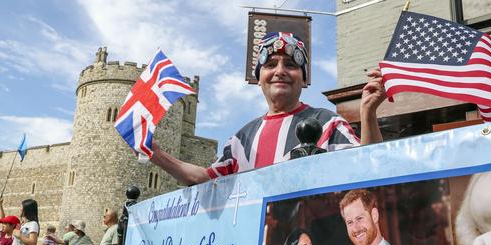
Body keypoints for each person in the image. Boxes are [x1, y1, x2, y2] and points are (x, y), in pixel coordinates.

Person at [148, 32, 386, 185]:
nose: (280, 71)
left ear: (303, 79)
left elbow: (367, 169)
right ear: (259, 78)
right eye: (271, 64)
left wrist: (368, 113)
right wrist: (156, 154)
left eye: (291, 65)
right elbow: (203, 178)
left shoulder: (328, 123)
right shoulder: (242, 140)